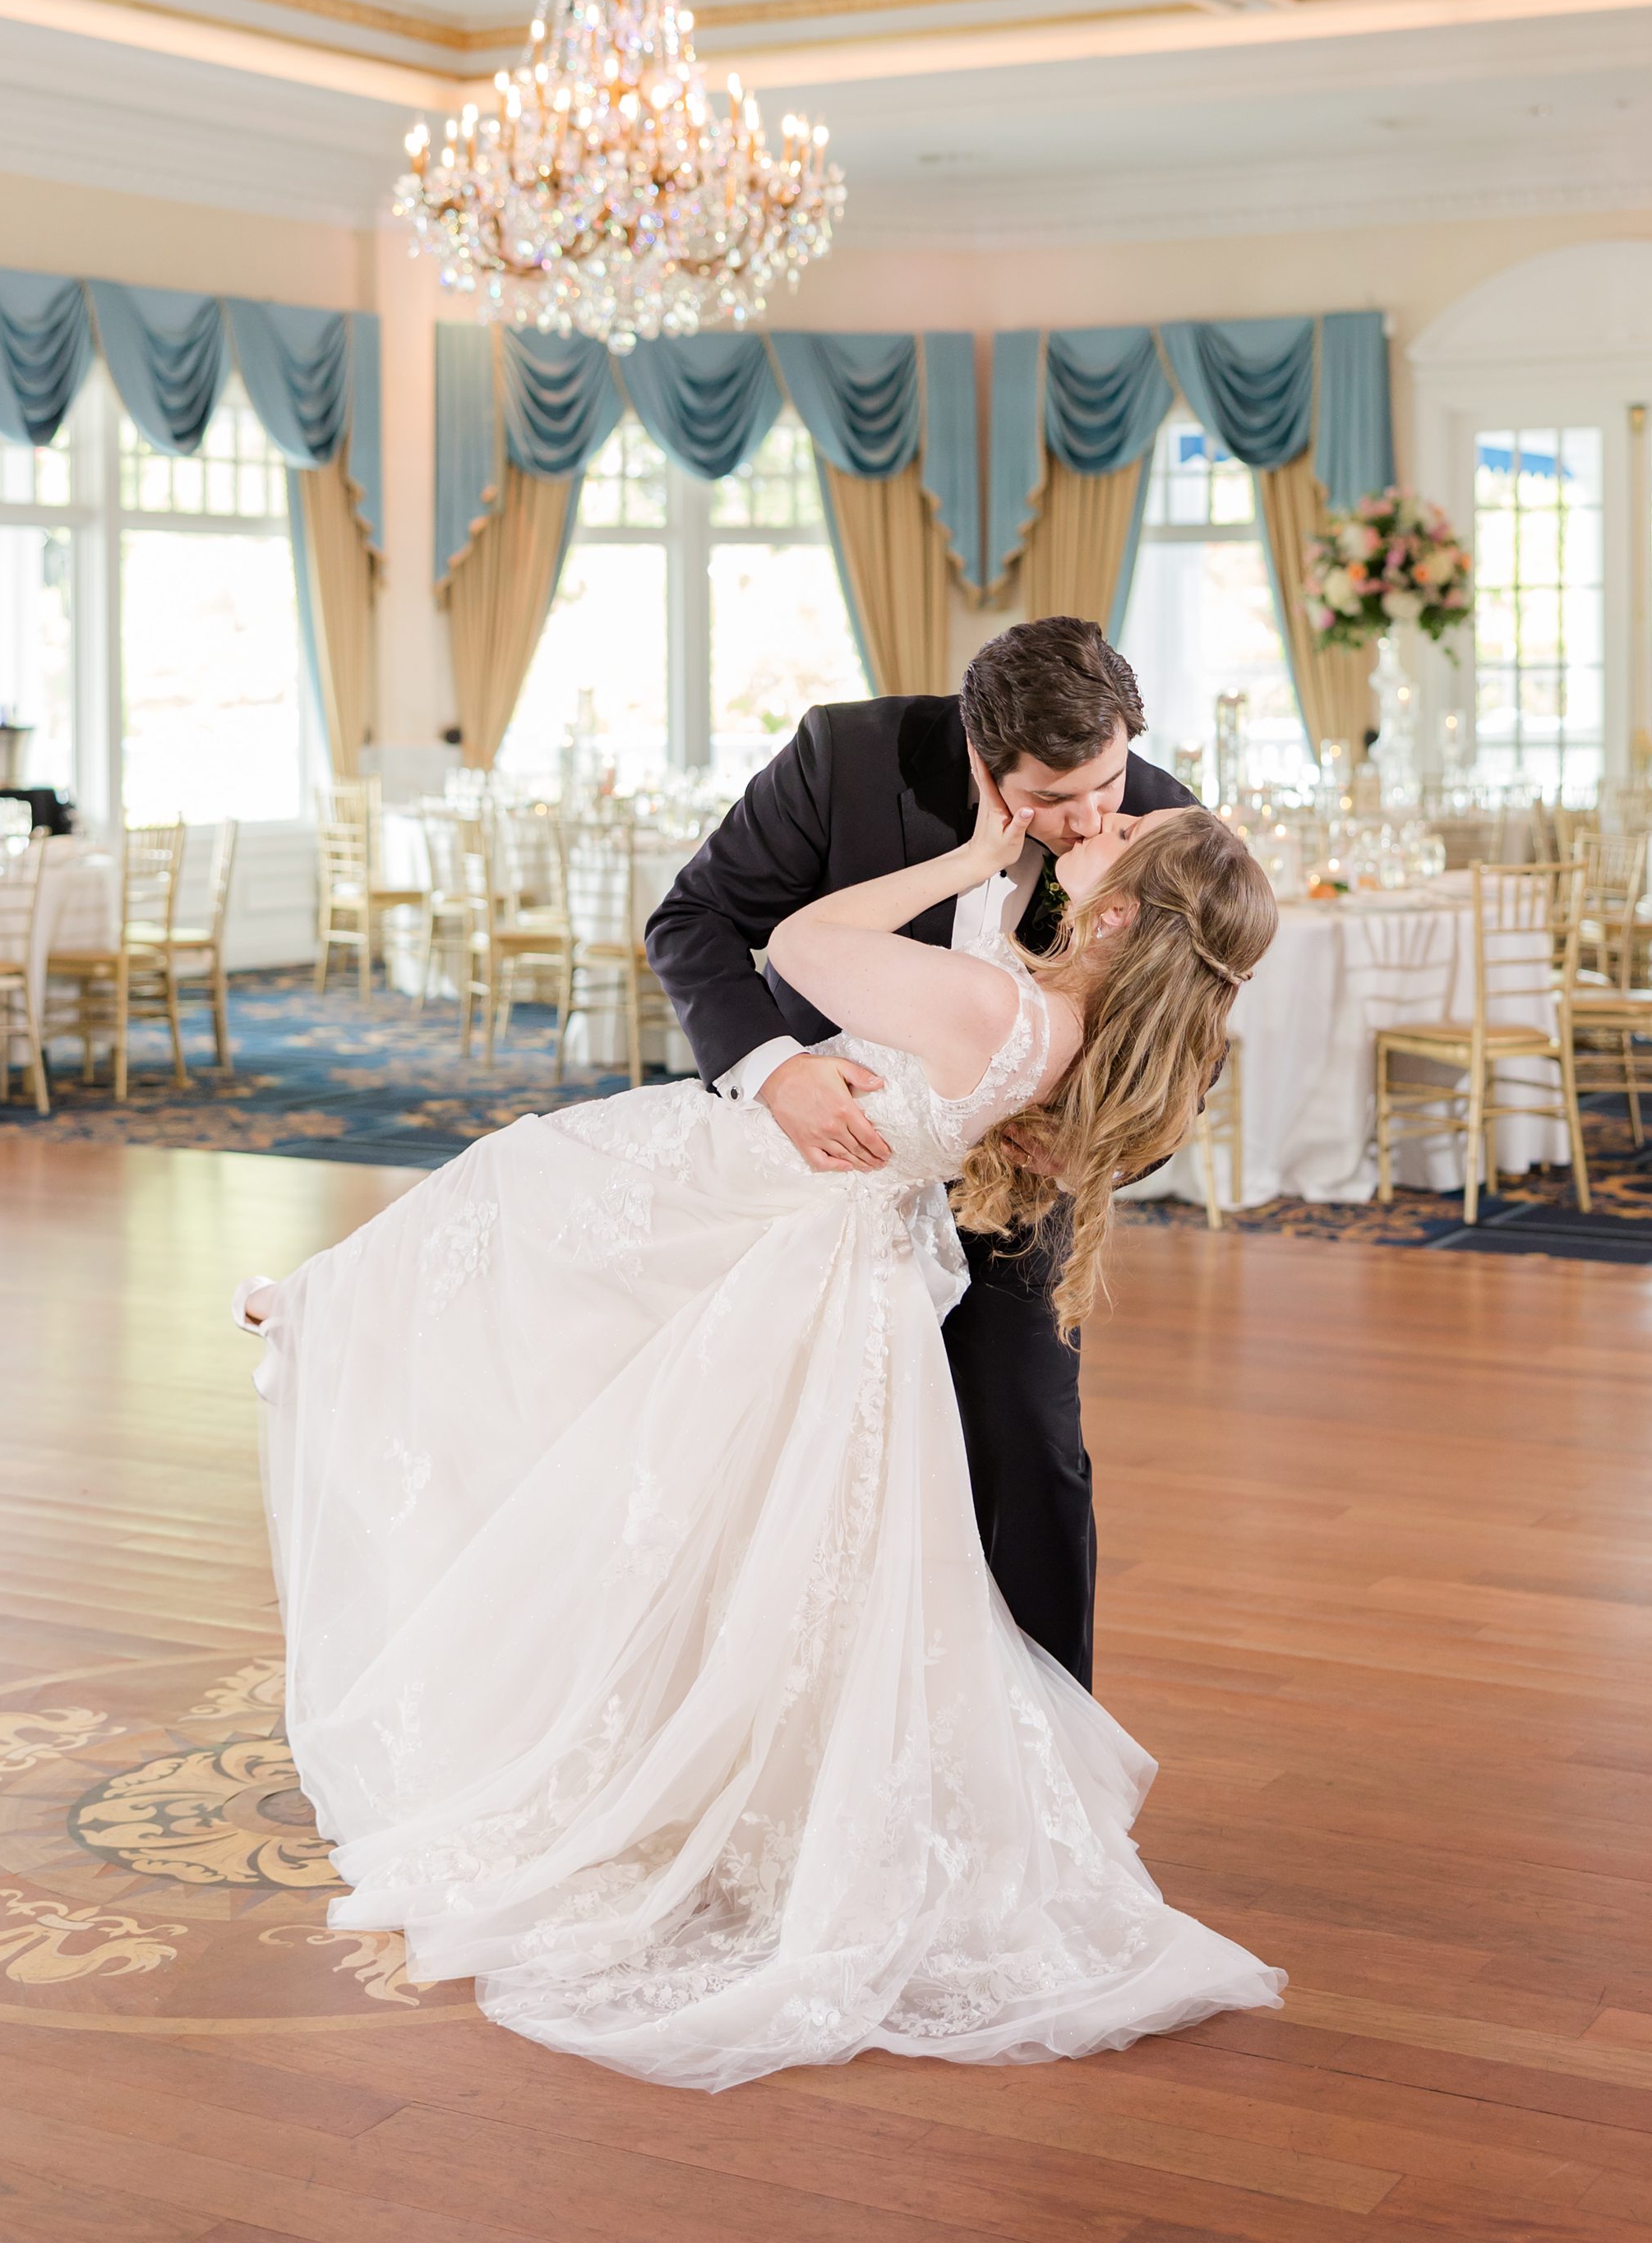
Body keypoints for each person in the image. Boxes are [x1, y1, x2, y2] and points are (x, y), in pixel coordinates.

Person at [236, 763, 1283, 2091]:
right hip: (832, 1249)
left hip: (757, 1210)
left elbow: (797, 943)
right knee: (692, 1474)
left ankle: (323, 1312)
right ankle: (326, 1311)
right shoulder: (1061, 1033)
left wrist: (970, 864)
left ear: (1122, 915)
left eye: (1124, 829)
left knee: (518, 1230)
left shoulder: (1001, 1006)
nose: (1101, 822)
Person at [644, 618, 1199, 1691]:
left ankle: (1047, 1735)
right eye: (1054, 796)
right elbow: (695, 919)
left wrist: (1087, 1152)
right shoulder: (846, 759)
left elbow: (1184, 1048)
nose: (1093, 818)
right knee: (793, 1456)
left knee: (1031, 1448)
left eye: (1108, 779)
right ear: (984, 756)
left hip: (1019, 1187)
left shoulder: (1156, 822)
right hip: (830, 1166)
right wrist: (774, 1071)